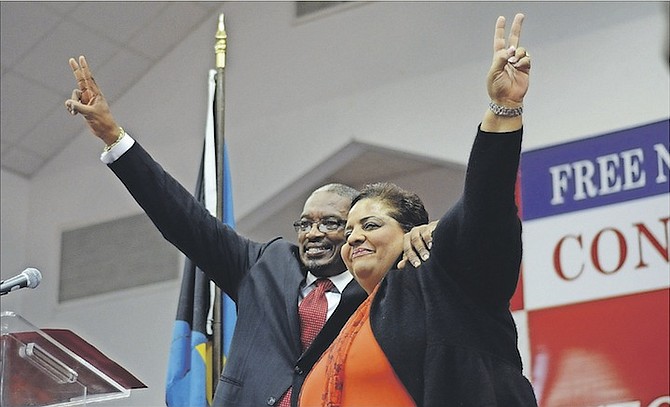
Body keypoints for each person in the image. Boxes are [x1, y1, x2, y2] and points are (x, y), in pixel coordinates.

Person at [63, 58, 435, 405]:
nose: (314, 233)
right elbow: (182, 217)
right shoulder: (264, 266)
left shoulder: (380, 287)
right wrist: (113, 137)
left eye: (331, 223)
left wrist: (432, 232)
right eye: (304, 224)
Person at [299, 13, 538, 406]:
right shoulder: (347, 318)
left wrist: (503, 107)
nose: (353, 236)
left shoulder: (445, 280)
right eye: (349, 231)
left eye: (370, 224)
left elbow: (486, 202)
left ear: (414, 232)